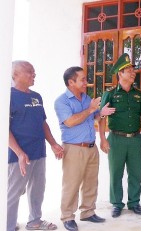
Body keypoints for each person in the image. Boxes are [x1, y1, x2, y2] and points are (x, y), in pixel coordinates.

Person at [54, 66, 115, 231]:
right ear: (71, 82)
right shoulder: (62, 101)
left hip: (91, 147)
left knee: (91, 182)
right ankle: (67, 217)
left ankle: (88, 212)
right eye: (82, 79)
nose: (86, 83)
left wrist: (100, 112)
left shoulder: (86, 98)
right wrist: (91, 109)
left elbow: (94, 117)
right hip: (74, 149)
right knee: (71, 184)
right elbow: (70, 121)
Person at [8, 60, 63, 231]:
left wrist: (53, 143)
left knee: (37, 189)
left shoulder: (36, 96)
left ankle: (35, 221)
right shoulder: (8, 96)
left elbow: (43, 123)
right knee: (13, 193)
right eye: (29, 72)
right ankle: (7, 225)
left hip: (38, 151)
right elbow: (4, 129)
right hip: (18, 155)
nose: (34, 75)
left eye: (34, 72)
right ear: (15, 74)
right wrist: (19, 152)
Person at [99, 53, 141, 218]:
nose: (132, 72)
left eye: (132, 69)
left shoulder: (138, 94)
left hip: (135, 139)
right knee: (116, 173)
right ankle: (117, 204)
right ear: (120, 74)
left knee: (135, 172)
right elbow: (101, 117)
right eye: (128, 69)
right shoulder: (111, 93)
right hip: (116, 139)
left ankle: (134, 203)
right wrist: (102, 139)